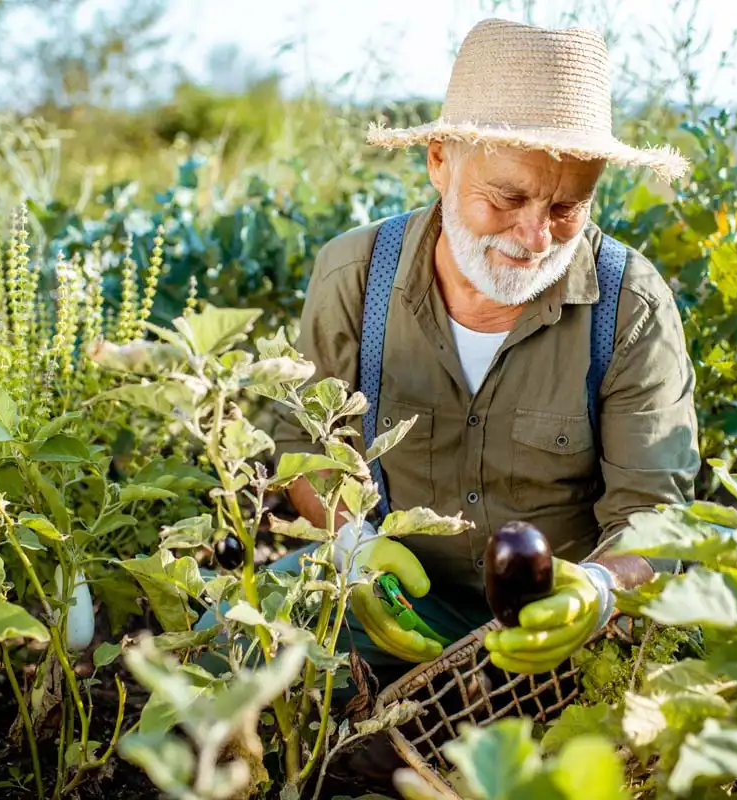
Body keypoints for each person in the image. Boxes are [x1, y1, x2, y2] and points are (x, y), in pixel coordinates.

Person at [203, 18, 701, 687]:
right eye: (507, 198)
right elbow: (306, 444)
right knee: (216, 651)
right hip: (394, 602)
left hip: (557, 626)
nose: (534, 235)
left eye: (566, 207)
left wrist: (598, 593)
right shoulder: (354, 276)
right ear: (440, 160)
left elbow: (655, 510)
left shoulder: (630, 304)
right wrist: (356, 546)